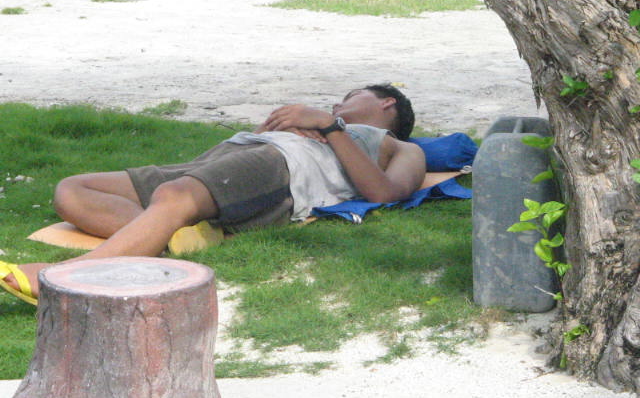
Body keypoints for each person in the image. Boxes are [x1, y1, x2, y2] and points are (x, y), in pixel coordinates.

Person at [0, 84, 426, 301]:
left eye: (350, 98)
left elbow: (385, 194)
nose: (337, 105)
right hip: (234, 153)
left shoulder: (399, 146)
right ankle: (170, 236)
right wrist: (273, 127)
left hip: (286, 166)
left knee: (174, 196)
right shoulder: (325, 121)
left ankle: (68, 279)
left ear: (386, 103)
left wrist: (331, 127)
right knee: (74, 190)